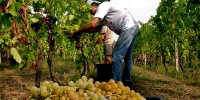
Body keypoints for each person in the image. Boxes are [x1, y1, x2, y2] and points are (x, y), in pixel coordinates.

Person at [68, 0, 139, 85]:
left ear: (94, 5)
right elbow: (97, 28)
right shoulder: (105, 16)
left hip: (128, 26)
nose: (91, 14)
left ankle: (117, 83)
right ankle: (127, 81)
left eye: (90, 11)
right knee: (127, 57)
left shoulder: (102, 6)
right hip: (133, 26)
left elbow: (92, 24)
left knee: (116, 56)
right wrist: (82, 31)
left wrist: (76, 32)